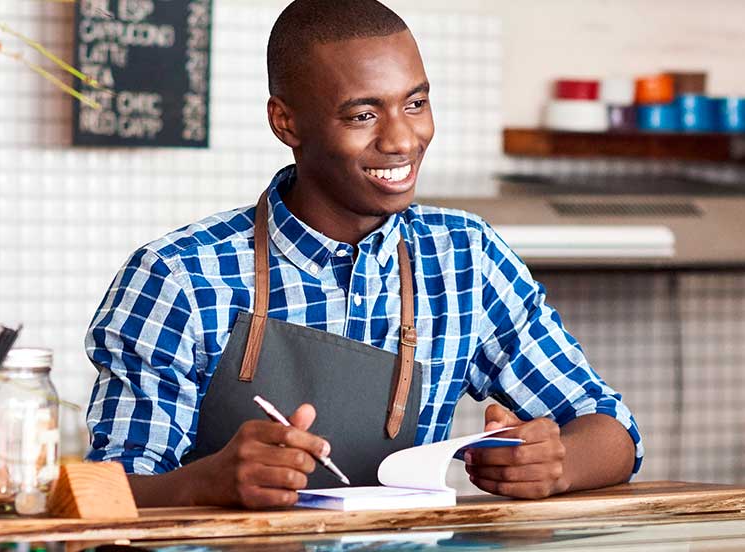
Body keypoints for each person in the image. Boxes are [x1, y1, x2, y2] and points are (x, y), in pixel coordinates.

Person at [84, 0, 641, 509]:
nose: (402, 139)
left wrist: (556, 463)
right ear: (287, 122)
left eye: (416, 103)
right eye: (363, 115)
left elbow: (613, 429)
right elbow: (105, 493)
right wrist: (205, 482)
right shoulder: (179, 277)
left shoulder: (465, 259)